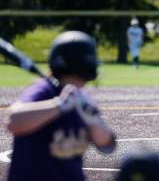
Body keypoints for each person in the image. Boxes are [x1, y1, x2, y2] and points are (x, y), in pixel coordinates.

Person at [6, 31, 117, 181]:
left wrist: (93, 119)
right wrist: (59, 105)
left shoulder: (81, 97)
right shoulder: (44, 91)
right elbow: (14, 121)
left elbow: (106, 144)